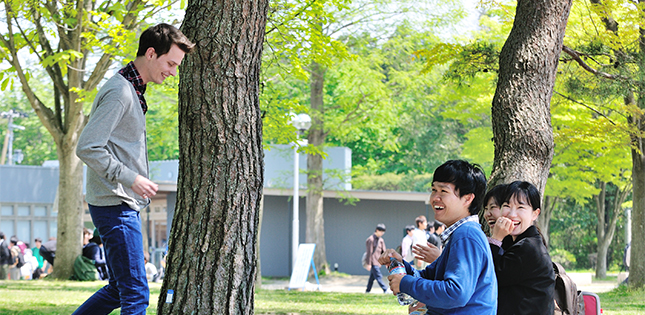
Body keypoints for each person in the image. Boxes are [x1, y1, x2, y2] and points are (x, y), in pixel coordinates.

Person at [73, 23, 194, 315]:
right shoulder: (120, 92)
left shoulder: (131, 89)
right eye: (170, 63)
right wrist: (133, 178)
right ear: (151, 53)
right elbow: (87, 147)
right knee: (136, 294)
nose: (173, 71)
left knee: (119, 289)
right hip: (116, 203)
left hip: (118, 202)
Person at [379, 160, 497, 314]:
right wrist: (402, 265)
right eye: (434, 190)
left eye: (443, 191)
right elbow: (428, 276)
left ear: (467, 199)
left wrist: (406, 283)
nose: (435, 197)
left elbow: (455, 293)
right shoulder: (460, 233)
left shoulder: (466, 235)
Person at [488, 181, 555, 314]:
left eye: (521, 208)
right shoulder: (516, 242)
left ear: (535, 214)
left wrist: (496, 238)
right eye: (507, 206)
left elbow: (488, 276)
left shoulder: (529, 248)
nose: (512, 214)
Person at [365, 223, 388, 293]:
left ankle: (367, 291)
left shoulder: (381, 240)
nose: (382, 233)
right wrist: (368, 263)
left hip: (378, 262)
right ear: (377, 230)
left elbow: (384, 252)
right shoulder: (370, 239)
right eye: (381, 231)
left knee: (372, 278)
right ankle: (385, 289)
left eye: (383, 232)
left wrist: (387, 262)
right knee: (378, 276)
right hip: (373, 262)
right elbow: (369, 252)